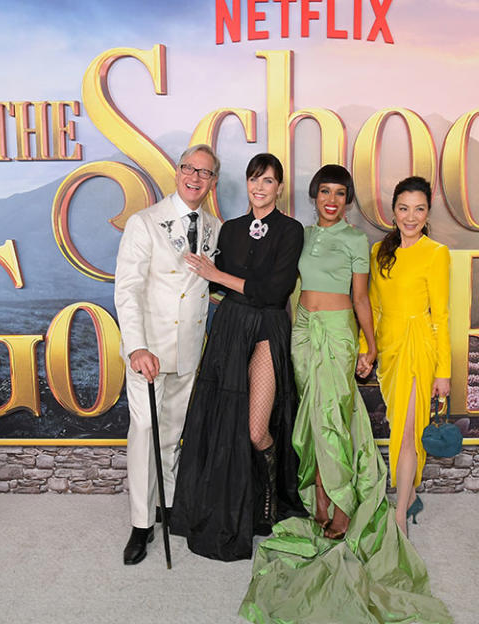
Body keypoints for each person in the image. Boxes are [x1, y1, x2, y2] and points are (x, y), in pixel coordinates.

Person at [238, 168, 452, 624]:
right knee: (309, 421)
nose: (331, 199)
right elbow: (287, 287)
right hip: (301, 333)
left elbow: (361, 300)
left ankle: (339, 504)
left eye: (340, 193)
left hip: (337, 334)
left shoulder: (359, 242)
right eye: (324, 192)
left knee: (332, 417)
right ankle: (318, 500)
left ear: (349, 200)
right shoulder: (301, 233)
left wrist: (367, 345)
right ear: (314, 196)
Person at [171, 153, 306, 561]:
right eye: (253, 179)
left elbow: (273, 292)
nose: (260, 187)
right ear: (245, 184)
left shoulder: (291, 230)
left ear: (280, 188)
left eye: (268, 181)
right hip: (229, 330)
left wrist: (219, 277)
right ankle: (239, 505)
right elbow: (218, 290)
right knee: (221, 425)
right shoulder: (229, 230)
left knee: (254, 429)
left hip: (266, 330)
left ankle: (270, 497)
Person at [113, 144, 222, 565]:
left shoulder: (213, 227)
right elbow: (128, 289)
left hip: (189, 351)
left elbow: (203, 286)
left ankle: (169, 508)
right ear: (178, 172)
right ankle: (141, 525)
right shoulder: (144, 222)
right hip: (150, 351)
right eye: (189, 169)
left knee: (173, 433)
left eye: (205, 173)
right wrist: (136, 346)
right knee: (144, 430)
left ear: (213, 182)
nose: (195, 177)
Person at [368, 175, 451, 534]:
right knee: (396, 424)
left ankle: (399, 514)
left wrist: (443, 371)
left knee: (405, 433)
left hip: (419, 348)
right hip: (388, 350)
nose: (411, 216)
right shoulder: (378, 252)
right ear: (393, 212)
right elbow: (370, 307)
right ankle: (411, 493)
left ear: (428, 212)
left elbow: (442, 315)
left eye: (419, 209)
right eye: (404, 208)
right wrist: (365, 350)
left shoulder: (436, 253)